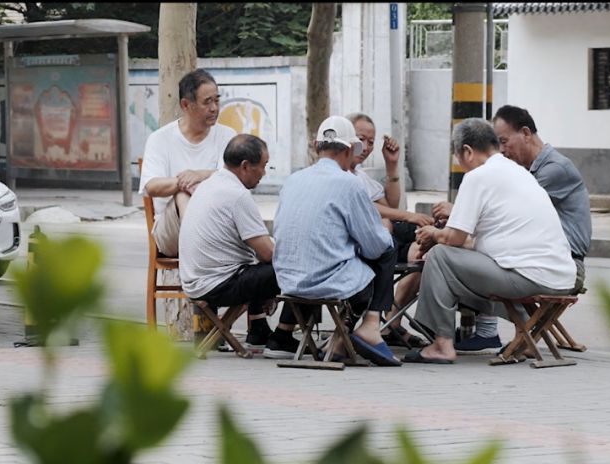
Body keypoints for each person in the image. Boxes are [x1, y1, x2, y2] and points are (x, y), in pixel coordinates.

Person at [404, 118, 577, 365]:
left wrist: (433, 233)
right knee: (461, 271)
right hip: (561, 277)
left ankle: (441, 345)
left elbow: (454, 238)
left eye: (459, 158)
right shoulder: (518, 172)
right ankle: (524, 336)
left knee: (440, 256)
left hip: (529, 277)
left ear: (467, 151)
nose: (460, 165)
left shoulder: (478, 176)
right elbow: (485, 241)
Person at [445, 105, 593, 354]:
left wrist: (459, 213)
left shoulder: (553, 170)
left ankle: (492, 330)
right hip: (539, 258)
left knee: (472, 262)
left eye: (503, 141)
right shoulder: (523, 171)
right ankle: (493, 330)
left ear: (526, 133)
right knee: (475, 256)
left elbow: (505, 212)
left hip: (565, 263)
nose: (501, 150)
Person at [273, 115, 401, 367]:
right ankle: (371, 325)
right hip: (325, 282)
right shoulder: (349, 183)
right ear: (347, 150)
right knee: (387, 247)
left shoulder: (292, 180)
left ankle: (339, 343)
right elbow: (376, 245)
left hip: (288, 280)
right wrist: (383, 230)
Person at [177, 134, 299, 358]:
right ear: (245, 166)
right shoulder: (237, 195)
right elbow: (267, 252)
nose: (264, 173)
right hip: (217, 285)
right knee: (297, 267)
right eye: (263, 166)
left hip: (195, 281)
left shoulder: (210, 185)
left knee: (256, 264)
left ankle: (259, 330)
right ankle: (283, 336)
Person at [346, 113, 431, 349]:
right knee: (400, 230)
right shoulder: (340, 176)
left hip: (385, 237)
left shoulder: (360, 175)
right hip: (362, 245)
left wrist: (392, 164)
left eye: (371, 142)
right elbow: (373, 209)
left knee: (425, 248)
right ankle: (377, 322)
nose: (365, 147)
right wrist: (408, 216)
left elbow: (389, 205)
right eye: (360, 139)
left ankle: (393, 322)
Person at [139, 69, 237, 258]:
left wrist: (200, 175)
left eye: (217, 100)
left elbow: (236, 179)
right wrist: (184, 183)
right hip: (171, 234)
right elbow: (151, 186)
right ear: (186, 104)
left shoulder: (228, 136)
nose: (214, 108)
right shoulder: (160, 139)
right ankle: (198, 246)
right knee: (182, 194)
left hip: (218, 223)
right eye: (207, 102)